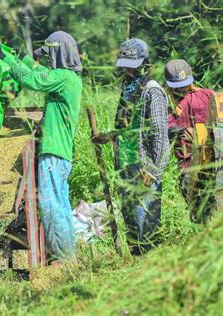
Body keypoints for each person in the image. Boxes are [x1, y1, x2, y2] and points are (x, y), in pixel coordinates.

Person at [0, 30, 83, 265]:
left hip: (54, 152)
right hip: (60, 153)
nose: (48, 59)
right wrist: (21, 57)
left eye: (50, 54)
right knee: (60, 205)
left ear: (59, 54)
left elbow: (34, 80)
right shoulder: (66, 78)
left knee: (50, 205)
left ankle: (61, 259)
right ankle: (67, 257)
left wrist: (6, 58)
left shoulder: (64, 77)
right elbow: (40, 72)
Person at [93, 39, 170, 255]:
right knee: (130, 220)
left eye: (131, 64)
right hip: (126, 164)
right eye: (125, 63)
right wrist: (109, 136)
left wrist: (154, 172)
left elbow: (159, 135)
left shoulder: (152, 91)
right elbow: (129, 127)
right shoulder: (129, 88)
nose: (127, 68)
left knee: (145, 220)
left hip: (144, 167)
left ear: (144, 62)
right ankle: (135, 266)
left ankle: (151, 267)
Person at [165, 59, 216, 222]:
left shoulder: (207, 95)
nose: (181, 89)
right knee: (200, 215)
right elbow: (168, 127)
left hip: (208, 163)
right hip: (191, 166)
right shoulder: (169, 104)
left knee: (209, 213)